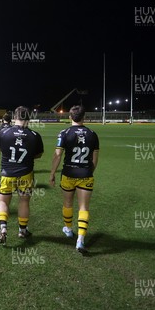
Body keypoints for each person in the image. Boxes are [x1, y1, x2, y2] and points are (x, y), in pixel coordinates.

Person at [49, 105, 100, 254]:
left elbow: (57, 155)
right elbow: (95, 158)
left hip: (68, 173)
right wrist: (89, 171)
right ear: (84, 117)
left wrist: (52, 173)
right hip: (85, 174)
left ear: (70, 117)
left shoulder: (64, 133)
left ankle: (69, 229)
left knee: (68, 203)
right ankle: (80, 240)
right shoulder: (92, 134)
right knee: (84, 207)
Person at [0, 107, 44, 244]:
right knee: (24, 201)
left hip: (7, 173)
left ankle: (3, 227)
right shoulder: (35, 135)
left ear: (14, 117)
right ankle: (22, 230)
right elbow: (38, 154)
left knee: (3, 201)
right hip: (26, 174)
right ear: (28, 119)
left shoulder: (4, 132)